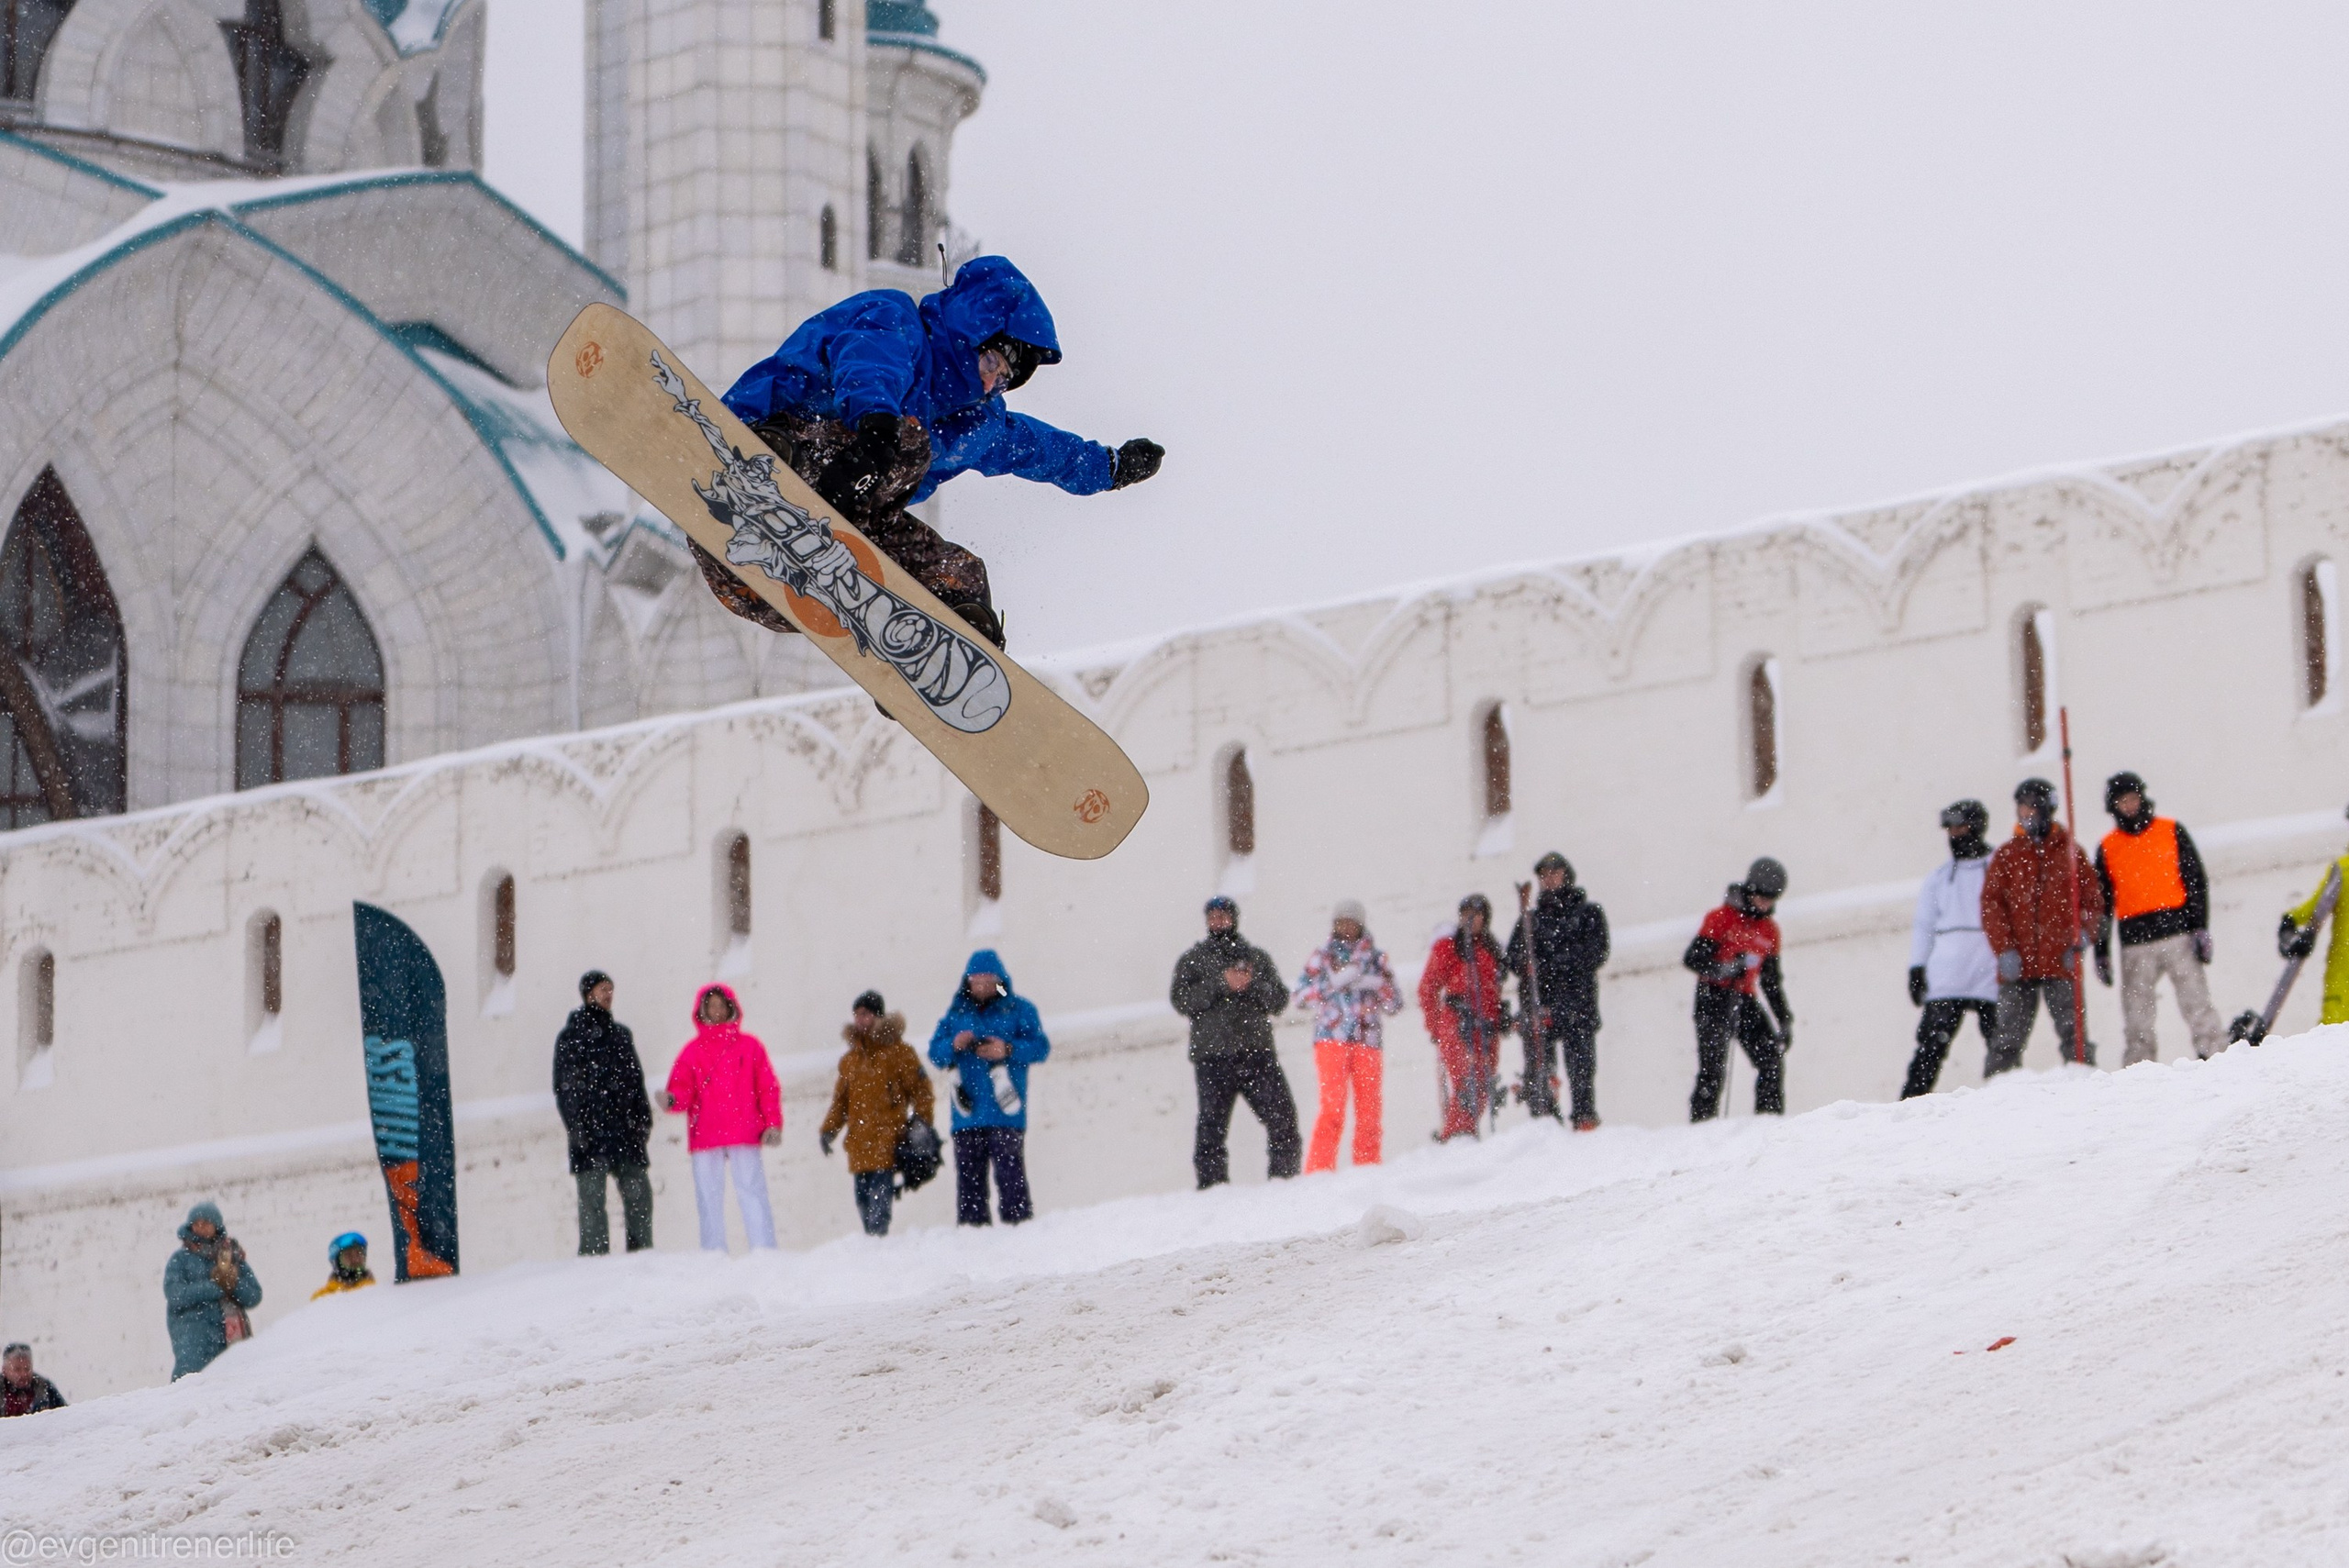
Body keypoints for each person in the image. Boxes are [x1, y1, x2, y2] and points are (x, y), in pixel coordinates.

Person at [711, 256, 1164, 651]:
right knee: (905, 442)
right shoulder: (895, 319)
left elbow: (1036, 448)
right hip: (754, 459)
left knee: (958, 575)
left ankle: (930, 656)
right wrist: (875, 427)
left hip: (764, 573)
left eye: (1004, 378)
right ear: (972, 332)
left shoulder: (975, 422)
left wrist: (1110, 467)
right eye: (992, 363)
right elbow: (869, 361)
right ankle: (774, 482)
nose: (991, 383)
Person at [2093, 772, 2225, 1063]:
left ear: (2142, 798)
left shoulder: (2171, 830)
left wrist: (2200, 927)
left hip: (2178, 934)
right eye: (2121, 802)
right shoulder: (2107, 848)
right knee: (2137, 1017)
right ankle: (2139, 1071)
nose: (2129, 806)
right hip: (2135, 943)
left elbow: (2195, 882)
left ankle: (2216, 1058)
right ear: (2112, 807)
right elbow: (2101, 904)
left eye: (2132, 799)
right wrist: (2100, 950)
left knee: (2198, 1005)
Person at [1171, 897, 1301, 1186]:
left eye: (1222, 916)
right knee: (1211, 1129)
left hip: (1256, 1053)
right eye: (1212, 917)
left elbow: (1279, 1000)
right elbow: (1181, 1001)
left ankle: (1286, 1183)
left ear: (1234, 918)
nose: (1217, 922)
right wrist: (1221, 983)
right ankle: (1213, 1189)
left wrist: (1251, 984)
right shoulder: (1193, 960)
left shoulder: (1256, 958)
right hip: (1213, 1057)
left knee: (1283, 1119)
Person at [1983, 778, 2105, 1074]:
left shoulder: (2071, 853)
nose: (2025, 813)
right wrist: (2004, 950)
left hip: (2060, 961)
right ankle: (1996, 1093)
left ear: (2046, 809)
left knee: (2074, 1035)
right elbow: (1992, 906)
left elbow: (2092, 901)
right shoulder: (2007, 855)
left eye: (2031, 807)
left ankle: (2083, 1083)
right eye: (2021, 807)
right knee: (2007, 1038)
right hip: (2017, 964)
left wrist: (2083, 937)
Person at [928, 951, 1051, 1226]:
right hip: (967, 1116)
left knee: (1011, 1180)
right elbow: (936, 1054)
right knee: (969, 1188)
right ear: (967, 982)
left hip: (1006, 1112)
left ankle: (1019, 1230)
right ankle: (973, 1239)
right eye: (976, 981)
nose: (981, 987)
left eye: (987, 981)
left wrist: (1006, 1049)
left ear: (999, 981)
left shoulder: (1020, 1010)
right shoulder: (955, 1015)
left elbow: (1041, 1048)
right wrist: (954, 1045)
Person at [662, 984, 783, 1251]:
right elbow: (683, 1090)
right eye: (711, 1005)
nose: (716, 1011)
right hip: (709, 1131)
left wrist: (772, 1122)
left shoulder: (750, 1047)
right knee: (708, 1197)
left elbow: (767, 1087)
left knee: (751, 1191)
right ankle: (713, 1253)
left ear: (731, 1007)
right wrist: (672, 1100)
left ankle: (764, 1248)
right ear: (702, 1010)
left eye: (721, 1005)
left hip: (742, 1130)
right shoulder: (692, 1052)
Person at [1290, 899, 1402, 1172]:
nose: (1346, 927)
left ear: (1360, 924)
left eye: (1351, 922)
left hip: (1368, 1039)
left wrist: (1375, 985)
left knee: (1369, 1111)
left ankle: (1367, 1168)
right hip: (1331, 1038)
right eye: (1341, 922)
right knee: (1333, 1109)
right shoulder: (1322, 957)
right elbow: (1300, 996)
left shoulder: (1376, 959)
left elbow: (1395, 1003)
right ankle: (1319, 1171)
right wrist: (1332, 984)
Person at [1504, 852, 1611, 1129]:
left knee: (1582, 1070)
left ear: (1567, 875)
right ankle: (1545, 1123)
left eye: (1555, 873)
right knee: (1541, 1070)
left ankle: (1584, 1119)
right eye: (1544, 875)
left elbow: (1596, 952)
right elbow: (1514, 958)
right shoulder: (1531, 920)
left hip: (1578, 1003)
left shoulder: (1588, 913)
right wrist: (1528, 964)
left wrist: (1554, 964)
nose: (1549, 879)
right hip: (1541, 1004)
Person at [552, 969, 655, 1256]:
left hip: (625, 1131)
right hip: (591, 1134)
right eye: (602, 989)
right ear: (589, 995)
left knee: (639, 1196)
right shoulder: (571, 1038)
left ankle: (642, 1255)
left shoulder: (621, 1036)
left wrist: (642, 1120)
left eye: (610, 989)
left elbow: (635, 1082)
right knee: (592, 1203)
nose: (608, 994)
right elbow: (566, 1088)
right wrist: (577, 1127)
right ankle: (594, 1264)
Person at [1901, 801, 2000, 1097]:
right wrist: (1917, 967)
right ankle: (1909, 1106)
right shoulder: (1939, 878)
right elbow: (1924, 925)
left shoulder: (1998, 866)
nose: (1955, 835)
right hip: (1947, 975)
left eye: (1962, 828)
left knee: (2001, 1044)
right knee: (1930, 1048)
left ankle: (2007, 1099)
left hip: (1989, 969)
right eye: (1951, 829)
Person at [819, 991, 936, 1237]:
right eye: (857, 1015)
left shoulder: (899, 1053)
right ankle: (873, 1251)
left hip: (887, 1142)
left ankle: (878, 1249)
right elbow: (841, 1101)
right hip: (859, 1145)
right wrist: (829, 1130)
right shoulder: (851, 1061)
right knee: (863, 1203)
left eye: (866, 1014)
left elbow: (921, 1090)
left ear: (878, 1016)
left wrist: (922, 1124)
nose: (860, 1020)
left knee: (879, 1210)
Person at [1685, 858, 1794, 1120]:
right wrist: (1726, 968)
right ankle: (1702, 1127)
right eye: (1761, 896)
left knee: (1771, 1060)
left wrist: (1784, 1018)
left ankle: (1768, 1122)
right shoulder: (1721, 918)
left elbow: (1771, 981)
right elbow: (1694, 959)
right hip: (1713, 997)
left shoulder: (1770, 930)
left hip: (1744, 999)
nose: (1765, 903)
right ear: (1750, 889)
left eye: (1771, 898)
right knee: (1713, 1069)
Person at [1419, 895, 1510, 1140]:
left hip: (1487, 1025)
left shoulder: (1492, 949)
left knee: (1483, 1083)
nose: (1470, 919)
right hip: (1457, 1021)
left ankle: (1462, 1133)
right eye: (1466, 913)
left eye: (1476, 913)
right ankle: (1456, 1134)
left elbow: (1495, 989)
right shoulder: (1449, 948)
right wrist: (1436, 1026)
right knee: (1467, 1079)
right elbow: (1428, 987)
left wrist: (1501, 1018)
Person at [164, 1201, 262, 1380]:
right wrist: (216, 1288)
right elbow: (175, 1295)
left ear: (216, 1226)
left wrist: (233, 1284)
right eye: (196, 1223)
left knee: (233, 1383)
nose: (200, 1227)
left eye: (206, 1223)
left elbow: (254, 1295)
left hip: (228, 1337)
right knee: (189, 1384)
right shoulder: (180, 1259)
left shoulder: (231, 1255)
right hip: (192, 1335)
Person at [2277, 804, 2349, 1027]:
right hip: (2342, 970)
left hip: (2343, 972)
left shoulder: (2344, 870)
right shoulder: (2343, 870)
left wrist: (2290, 921)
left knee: (2335, 1036)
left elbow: (2314, 907)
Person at [1, 1343, 65, 1417]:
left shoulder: (45, 1388)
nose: (23, 1374)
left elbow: (65, 1417)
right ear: (4, 1370)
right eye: (17, 1369)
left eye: (27, 1369)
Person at [310, 1233, 376, 1299]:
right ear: (337, 1262)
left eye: (359, 1254)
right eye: (348, 1255)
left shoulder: (375, 1292)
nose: (355, 1259)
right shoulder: (323, 1297)